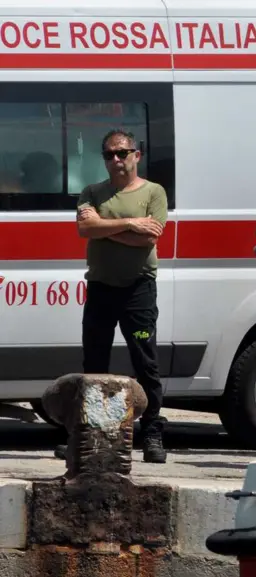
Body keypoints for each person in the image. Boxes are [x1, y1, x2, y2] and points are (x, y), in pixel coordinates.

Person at [73, 130, 170, 464]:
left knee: (145, 361)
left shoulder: (154, 192)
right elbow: (85, 230)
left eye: (122, 153)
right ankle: (89, 436)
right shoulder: (92, 191)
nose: (116, 159)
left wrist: (105, 227)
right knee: (94, 365)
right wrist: (130, 223)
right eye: (109, 155)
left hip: (138, 289)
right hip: (101, 288)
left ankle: (153, 432)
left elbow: (149, 239)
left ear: (136, 155)